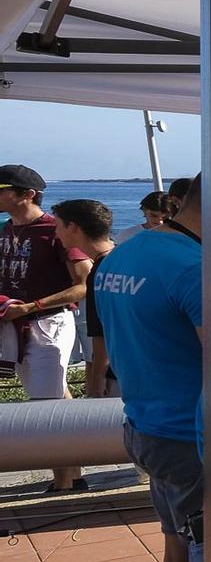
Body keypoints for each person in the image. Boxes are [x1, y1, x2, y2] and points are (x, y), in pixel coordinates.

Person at [92, 176, 206, 562]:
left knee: (178, 557)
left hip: (146, 426)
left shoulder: (123, 254)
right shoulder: (196, 268)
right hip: (191, 438)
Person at [0, 164, 93, 494]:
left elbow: (84, 282)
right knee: (56, 396)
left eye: (2, 188)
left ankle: (63, 485)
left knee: (46, 407)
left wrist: (32, 307)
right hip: (16, 325)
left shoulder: (55, 230)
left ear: (26, 194)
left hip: (47, 323)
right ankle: (76, 474)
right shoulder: (5, 230)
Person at [51, 199, 118, 399]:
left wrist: (97, 379)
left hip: (118, 374)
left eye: (58, 226)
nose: (56, 233)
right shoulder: (122, 257)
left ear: (73, 227)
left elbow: (102, 331)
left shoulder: (101, 270)